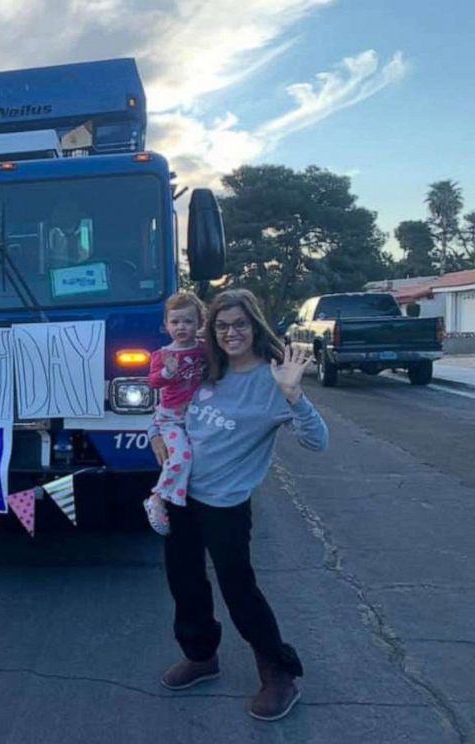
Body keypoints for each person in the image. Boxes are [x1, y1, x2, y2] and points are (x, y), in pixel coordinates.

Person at [150, 288, 328, 722]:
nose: (231, 333)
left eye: (240, 324)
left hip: (225, 504)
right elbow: (167, 407)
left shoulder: (272, 381)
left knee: (238, 589)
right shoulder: (209, 371)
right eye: (222, 325)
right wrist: (155, 435)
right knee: (185, 582)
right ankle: (201, 655)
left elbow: (317, 441)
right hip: (181, 496)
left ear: (254, 326)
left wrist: (293, 395)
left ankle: (278, 673)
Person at [145, 292, 207, 535]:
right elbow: (152, 382)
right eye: (175, 322)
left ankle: (184, 508)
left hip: (200, 417)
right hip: (170, 419)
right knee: (180, 458)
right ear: (166, 325)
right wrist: (168, 372)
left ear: (199, 323)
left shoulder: (204, 350)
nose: (181, 327)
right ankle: (157, 499)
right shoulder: (162, 355)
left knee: (198, 461)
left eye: (188, 321)